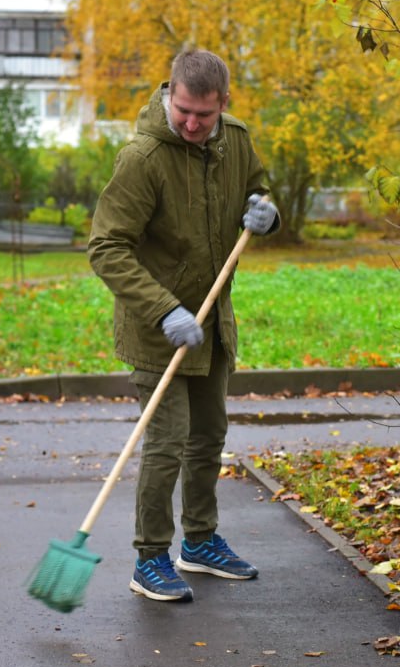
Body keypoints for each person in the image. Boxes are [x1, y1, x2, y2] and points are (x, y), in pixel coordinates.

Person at [87, 49, 278, 603]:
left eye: (205, 115)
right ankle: (150, 556)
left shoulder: (235, 140)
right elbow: (106, 247)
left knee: (208, 439)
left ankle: (199, 542)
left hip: (213, 323)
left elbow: (258, 191)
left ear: (223, 105)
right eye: (184, 110)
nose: (192, 124)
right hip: (158, 329)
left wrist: (266, 210)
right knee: (167, 444)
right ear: (170, 92)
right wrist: (164, 308)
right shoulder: (142, 158)